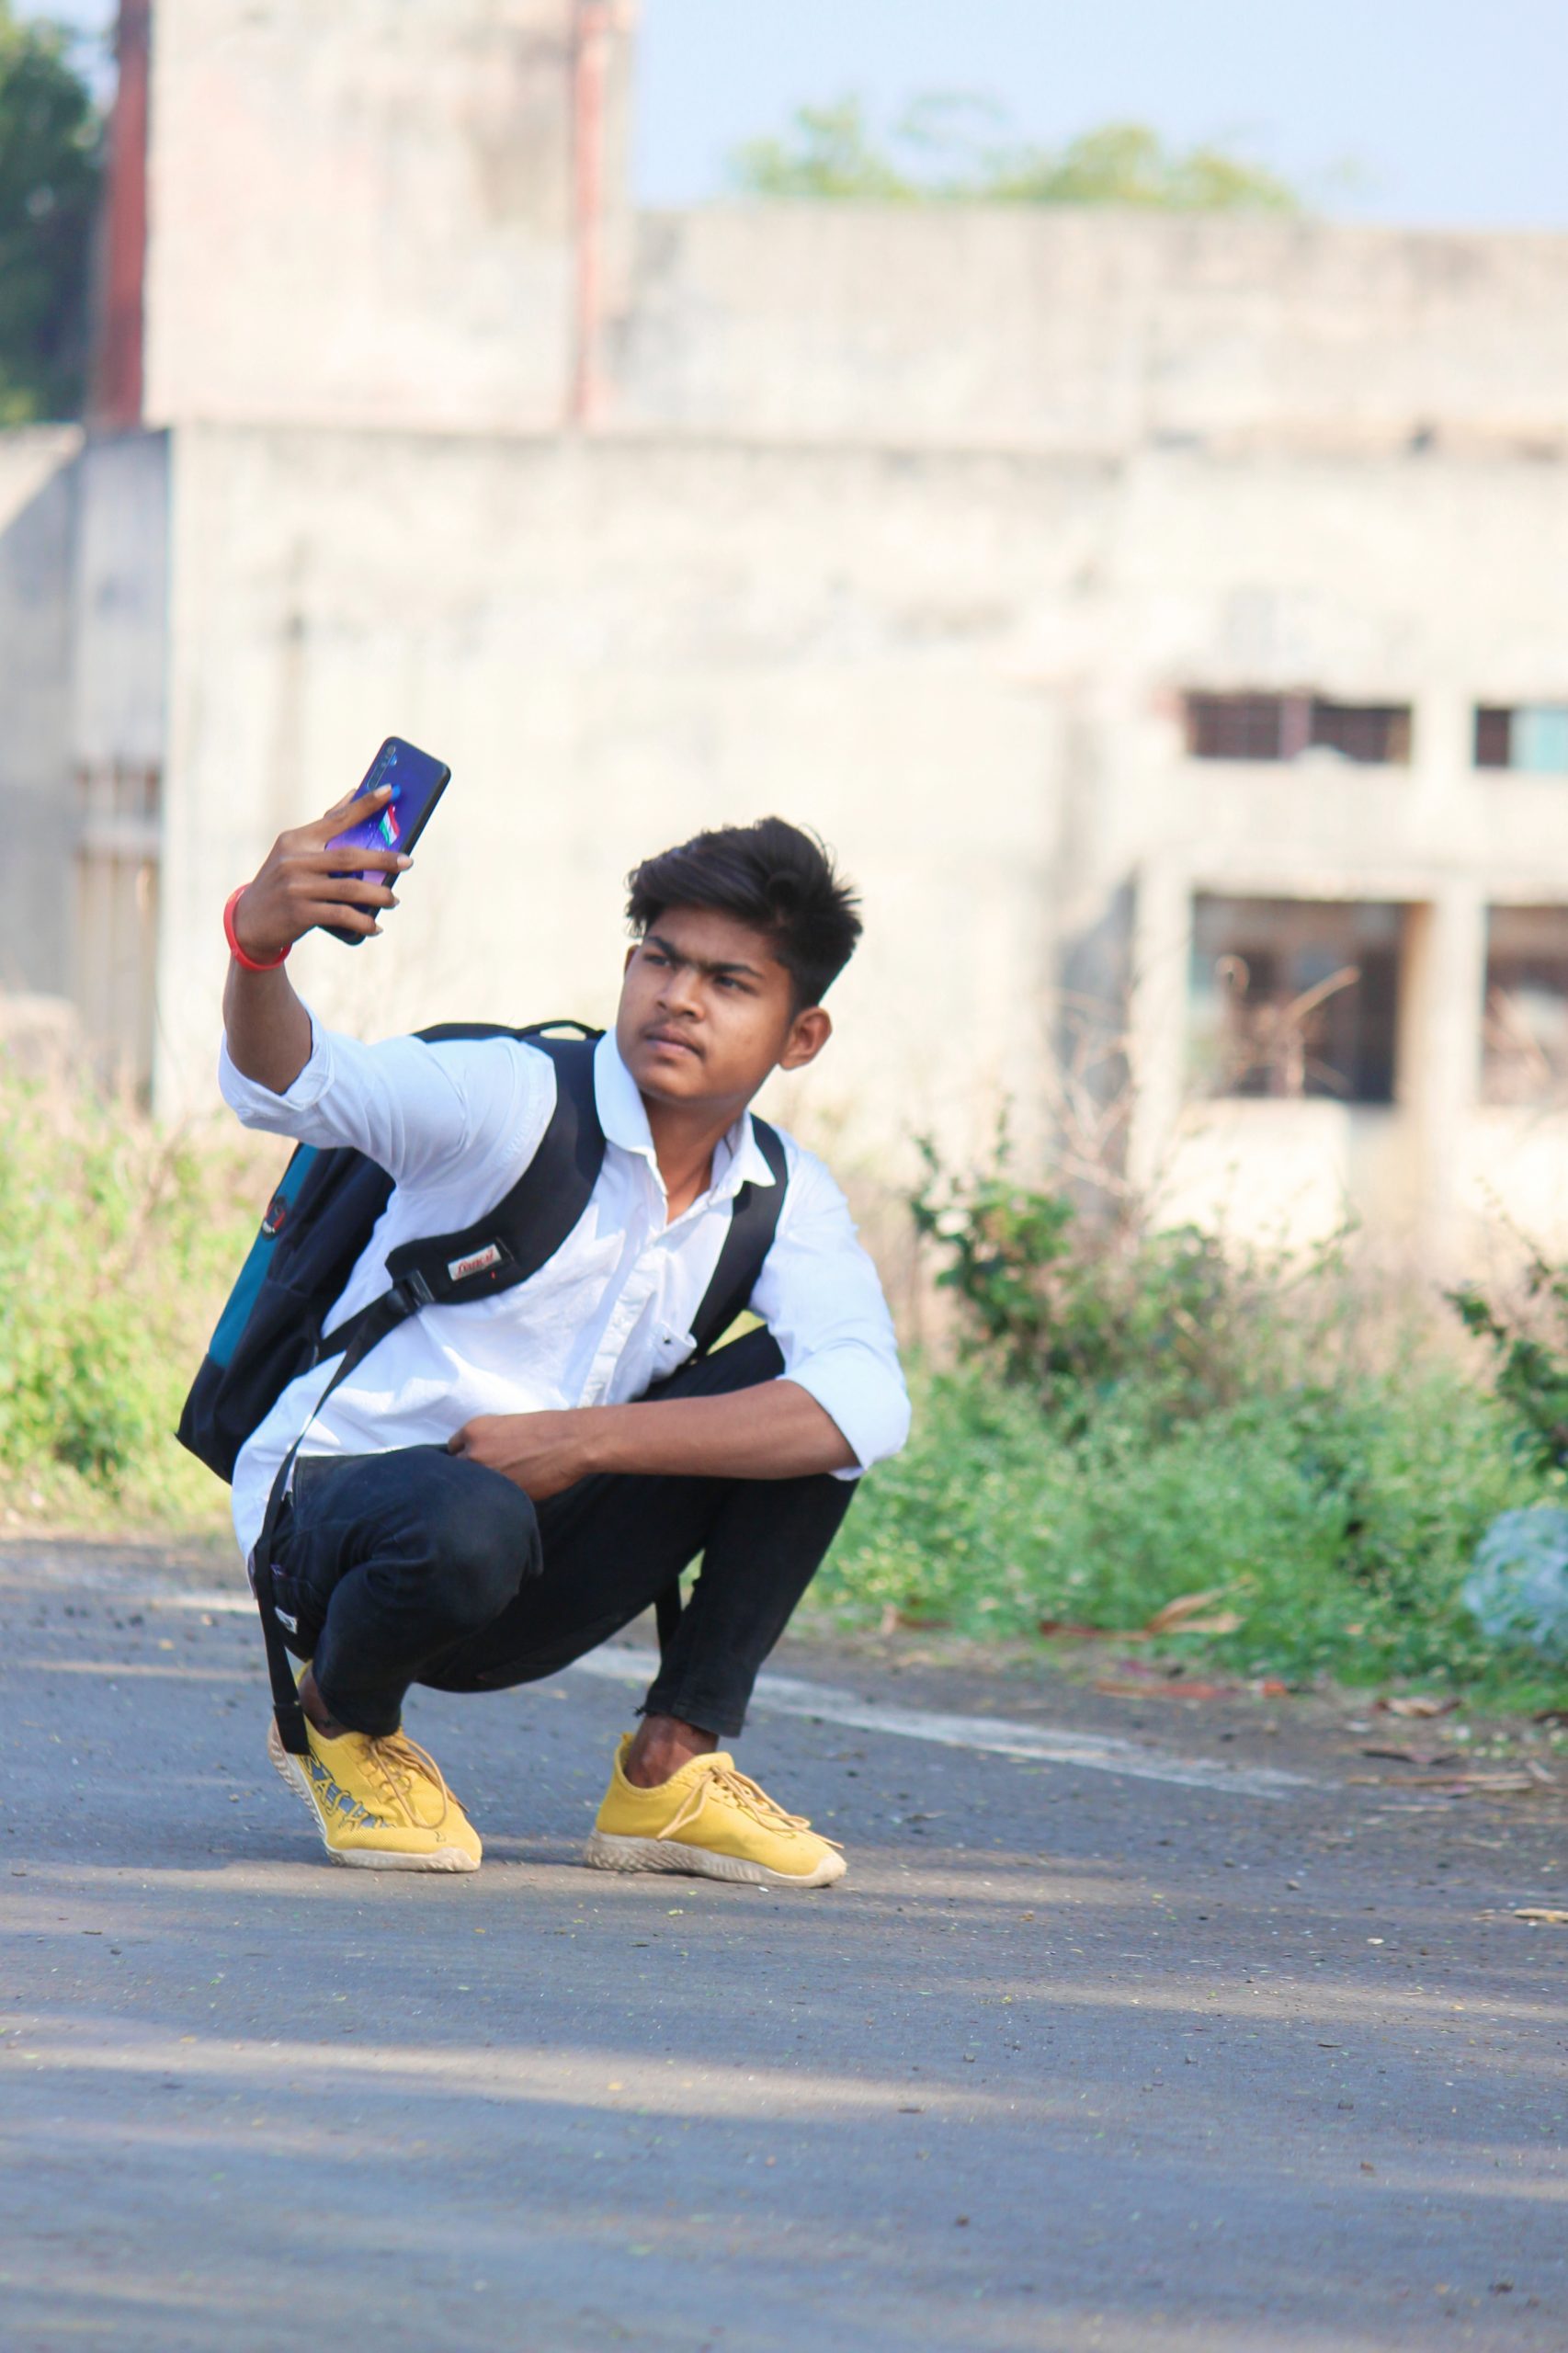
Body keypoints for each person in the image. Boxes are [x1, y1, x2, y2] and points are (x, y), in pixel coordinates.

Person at [219, 785, 910, 1886]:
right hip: (337, 1528)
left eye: (728, 982)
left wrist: (580, 1443)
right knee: (469, 1512)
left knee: (809, 1403)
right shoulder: (511, 1094)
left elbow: (869, 1406)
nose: (677, 999)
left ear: (802, 1034)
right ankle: (337, 1720)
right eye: (659, 959)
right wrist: (257, 953)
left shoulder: (783, 1193)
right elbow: (292, 1082)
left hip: (532, 1554)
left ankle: (667, 1773)